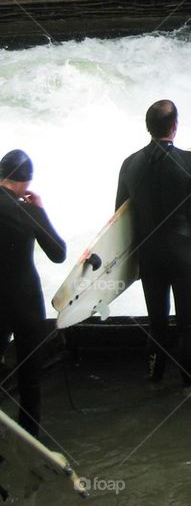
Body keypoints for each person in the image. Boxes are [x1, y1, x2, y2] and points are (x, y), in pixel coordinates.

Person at [116, 101, 191, 387]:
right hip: (184, 251)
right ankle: (189, 385)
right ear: (175, 126)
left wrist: (128, 261)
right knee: (187, 325)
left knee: (157, 322)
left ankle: (155, 378)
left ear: (147, 127)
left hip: (150, 254)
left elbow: (119, 218)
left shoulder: (129, 165)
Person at [0, 150, 66, 437]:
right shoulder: (26, 210)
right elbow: (58, 252)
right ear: (25, 181)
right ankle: (30, 435)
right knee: (30, 378)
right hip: (25, 302)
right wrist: (39, 210)